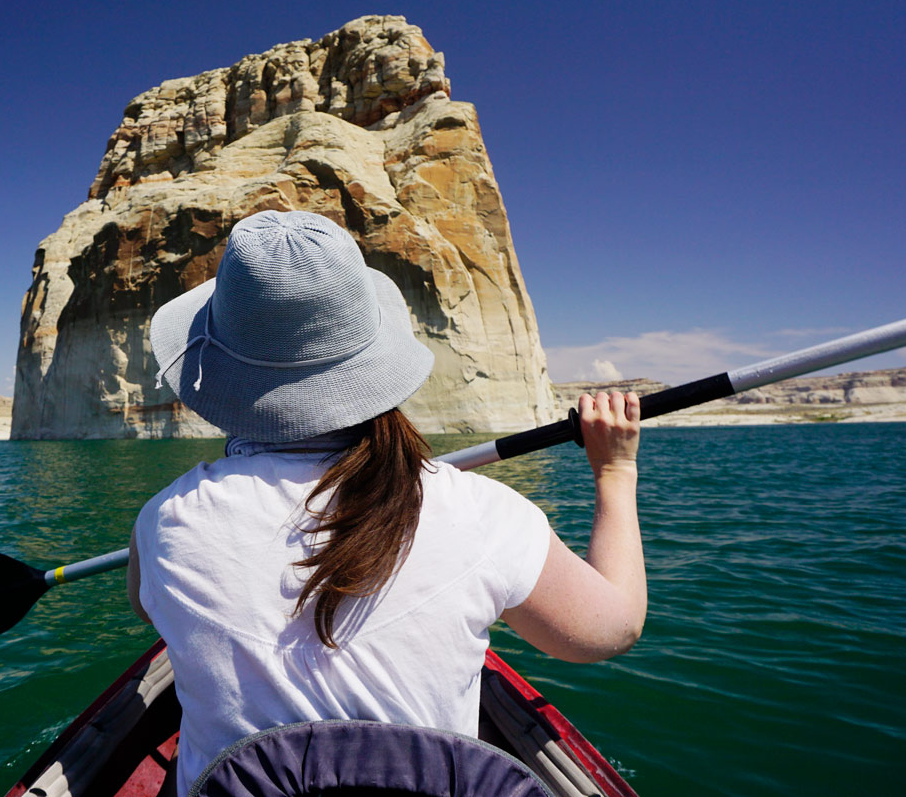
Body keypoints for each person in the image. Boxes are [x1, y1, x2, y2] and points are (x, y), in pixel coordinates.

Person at [128, 209, 645, 796]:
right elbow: (610, 629)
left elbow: (150, 611)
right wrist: (615, 470)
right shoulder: (482, 513)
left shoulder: (165, 520)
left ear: (219, 367)